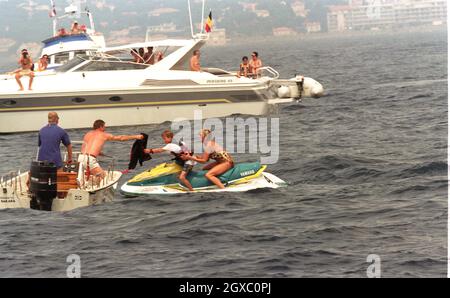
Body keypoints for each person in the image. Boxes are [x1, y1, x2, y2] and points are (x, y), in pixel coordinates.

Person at [79, 120, 143, 182]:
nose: (105, 128)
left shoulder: (88, 133)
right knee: (105, 178)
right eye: (104, 126)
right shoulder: (104, 134)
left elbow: (88, 147)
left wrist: (98, 153)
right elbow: (121, 138)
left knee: (91, 176)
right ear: (100, 127)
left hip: (81, 157)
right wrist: (136, 136)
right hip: (90, 160)